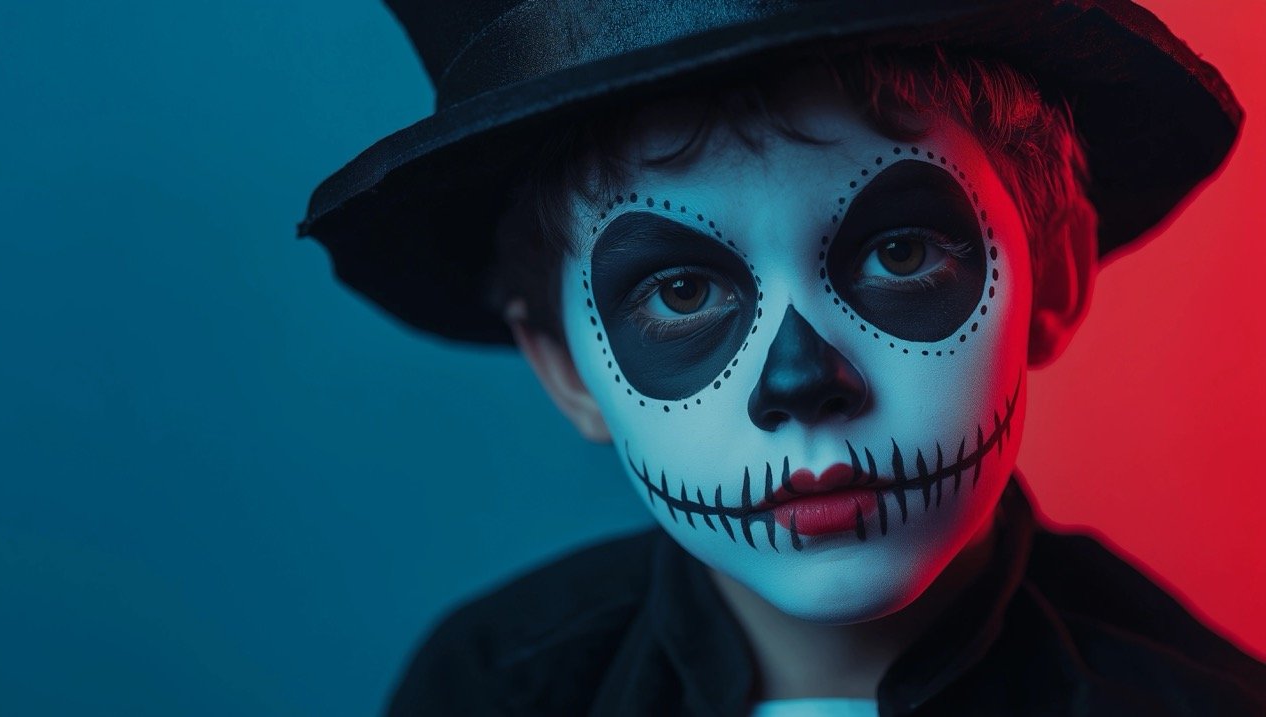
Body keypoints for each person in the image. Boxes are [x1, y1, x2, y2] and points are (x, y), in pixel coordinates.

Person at [298, 1, 1265, 714]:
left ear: (1053, 278)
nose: (802, 381)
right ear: (563, 365)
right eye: (680, 291)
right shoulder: (490, 689)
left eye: (900, 252)